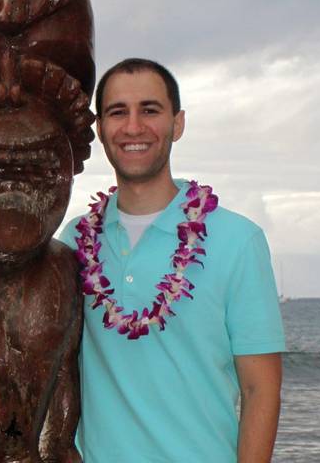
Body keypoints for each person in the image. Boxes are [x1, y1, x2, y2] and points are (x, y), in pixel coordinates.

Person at [59, 59, 285, 462]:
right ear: (100, 129)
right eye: (117, 112)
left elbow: (260, 390)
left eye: (150, 110)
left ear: (177, 124)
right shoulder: (75, 241)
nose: (133, 127)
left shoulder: (238, 240)